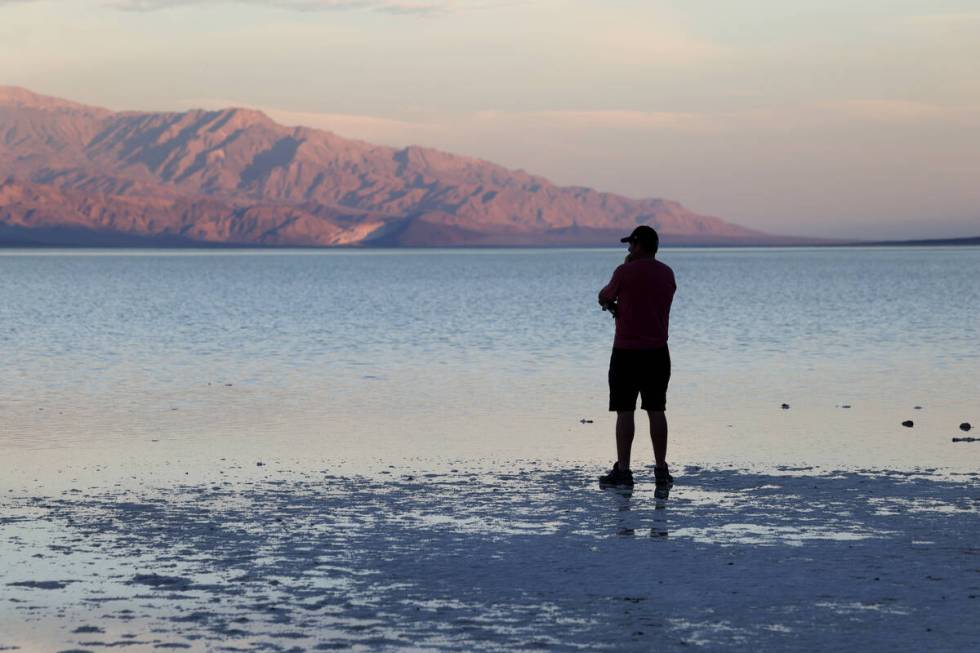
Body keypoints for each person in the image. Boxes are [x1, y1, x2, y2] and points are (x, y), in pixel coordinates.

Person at [597, 225, 676, 488]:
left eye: (631, 244)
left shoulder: (624, 272)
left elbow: (605, 296)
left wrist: (615, 300)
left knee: (625, 411)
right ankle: (661, 471)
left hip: (626, 353)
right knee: (657, 410)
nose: (628, 248)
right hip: (658, 353)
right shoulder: (667, 273)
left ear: (640, 245)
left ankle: (624, 471)